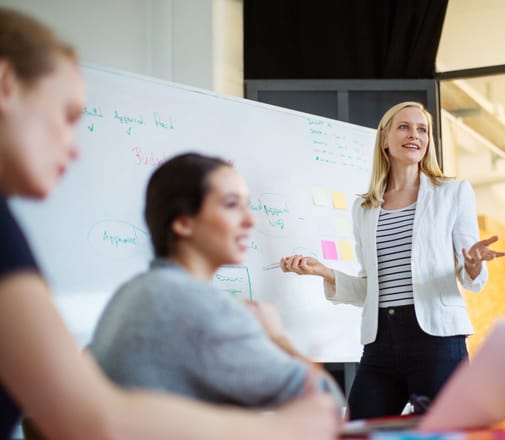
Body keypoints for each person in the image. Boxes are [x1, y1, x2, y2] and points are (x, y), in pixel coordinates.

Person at [0, 7, 338, 439]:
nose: (75, 147)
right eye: (67, 116)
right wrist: (274, 338)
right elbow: (325, 402)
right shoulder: (195, 304)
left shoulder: (133, 293)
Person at [281, 101, 505, 419]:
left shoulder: (452, 193)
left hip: (437, 340)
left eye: (422, 129)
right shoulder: (365, 208)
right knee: (357, 430)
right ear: (385, 138)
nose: (415, 135)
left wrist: (473, 264)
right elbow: (369, 290)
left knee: (446, 432)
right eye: (404, 127)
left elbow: (472, 278)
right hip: (381, 340)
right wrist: (326, 273)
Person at [89, 153, 345, 412]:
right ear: (183, 222)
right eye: (231, 205)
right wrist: (276, 338)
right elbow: (327, 403)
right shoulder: (203, 307)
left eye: (247, 205)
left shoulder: (128, 295)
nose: (251, 220)